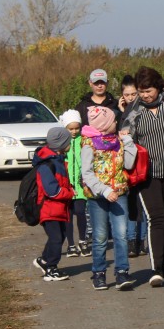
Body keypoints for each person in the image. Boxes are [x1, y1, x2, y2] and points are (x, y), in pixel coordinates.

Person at [120, 66, 164, 288]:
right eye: (141, 91)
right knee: (156, 218)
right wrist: (125, 139)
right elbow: (125, 141)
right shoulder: (133, 111)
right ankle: (157, 269)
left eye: (148, 90)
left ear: (159, 87)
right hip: (146, 175)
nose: (144, 95)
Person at [82, 106, 137, 291]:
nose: (116, 123)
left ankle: (122, 272)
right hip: (98, 196)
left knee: (121, 234)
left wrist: (128, 142)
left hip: (119, 193)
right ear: (104, 124)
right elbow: (87, 174)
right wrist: (104, 190)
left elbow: (128, 164)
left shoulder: (118, 141)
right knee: (100, 236)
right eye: (114, 120)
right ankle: (98, 272)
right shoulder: (89, 144)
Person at [32, 127, 76, 281]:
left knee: (59, 236)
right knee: (56, 238)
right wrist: (70, 193)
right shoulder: (47, 164)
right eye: (68, 141)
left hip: (58, 208)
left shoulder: (58, 160)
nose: (70, 144)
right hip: (49, 209)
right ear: (61, 144)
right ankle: (51, 269)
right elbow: (52, 191)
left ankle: (44, 260)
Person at [118, 75, 148, 258]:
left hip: (142, 161)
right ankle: (131, 240)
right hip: (127, 164)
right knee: (131, 205)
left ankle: (142, 240)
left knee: (143, 204)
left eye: (133, 94)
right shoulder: (120, 113)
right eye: (126, 94)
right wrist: (122, 112)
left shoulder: (143, 110)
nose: (130, 97)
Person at [58, 109, 90, 258]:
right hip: (66, 185)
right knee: (68, 215)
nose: (74, 131)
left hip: (81, 185)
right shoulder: (62, 143)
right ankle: (71, 244)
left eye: (77, 128)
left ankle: (83, 241)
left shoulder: (83, 140)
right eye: (70, 129)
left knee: (81, 212)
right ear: (65, 128)